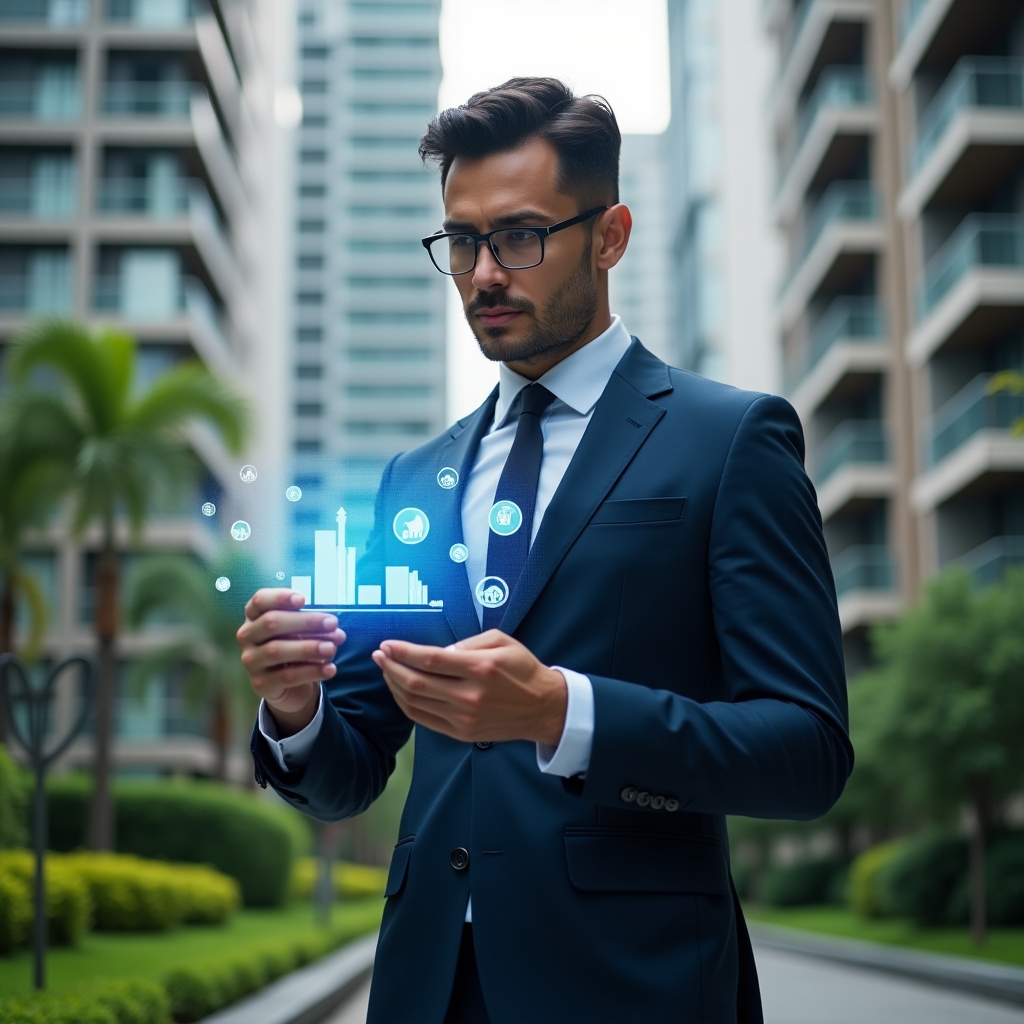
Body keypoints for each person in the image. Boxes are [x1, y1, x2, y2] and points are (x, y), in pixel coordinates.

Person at [238, 78, 852, 1024]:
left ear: (609, 237)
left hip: (632, 985)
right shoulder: (414, 478)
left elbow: (806, 752)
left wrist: (566, 711)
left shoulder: (730, 441)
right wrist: (297, 708)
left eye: (520, 236)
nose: (484, 273)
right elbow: (348, 770)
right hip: (429, 987)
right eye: (462, 241)